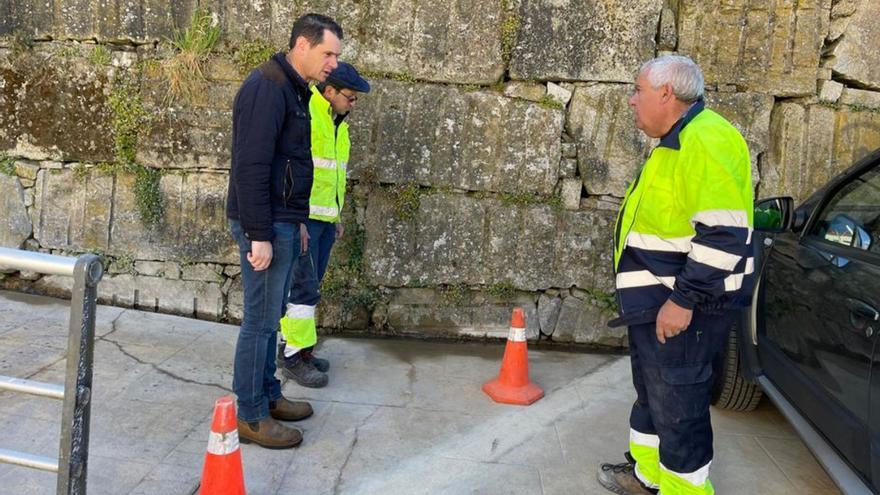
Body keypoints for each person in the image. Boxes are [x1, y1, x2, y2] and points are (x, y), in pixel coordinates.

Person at [598, 55, 754, 495]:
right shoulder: (676, 140)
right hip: (657, 306)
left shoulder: (704, 140)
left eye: (638, 90)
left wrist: (682, 301)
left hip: (683, 309)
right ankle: (648, 477)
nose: (631, 101)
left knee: (679, 405)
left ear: (666, 93)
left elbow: (724, 234)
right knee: (655, 394)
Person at [225, 13, 343, 449]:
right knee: (258, 323)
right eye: (328, 53)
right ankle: (251, 416)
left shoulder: (293, 89)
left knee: (271, 320)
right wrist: (260, 235)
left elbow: (289, 165)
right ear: (301, 46)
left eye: (336, 55)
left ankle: (269, 396)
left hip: (281, 221)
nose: (333, 63)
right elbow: (251, 166)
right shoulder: (267, 88)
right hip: (263, 224)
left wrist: (296, 224)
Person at [276, 61, 371, 388]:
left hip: (324, 221)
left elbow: (331, 176)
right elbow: (295, 173)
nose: (353, 102)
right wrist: (298, 219)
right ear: (329, 91)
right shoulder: (308, 116)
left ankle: (301, 350)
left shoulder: (336, 123)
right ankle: (290, 356)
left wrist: (336, 216)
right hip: (304, 222)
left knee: (310, 284)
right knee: (302, 289)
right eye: (350, 96)